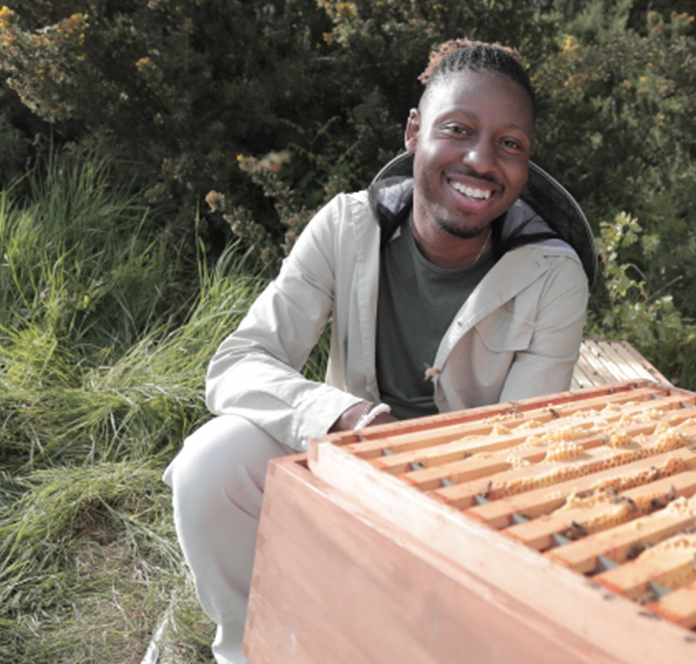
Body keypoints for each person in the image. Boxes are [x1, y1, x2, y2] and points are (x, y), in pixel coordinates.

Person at [162, 40, 597, 664]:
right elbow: (238, 364)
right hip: (345, 469)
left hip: (469, 510)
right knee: (213, 462)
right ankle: (251, 647)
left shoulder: (555, 276)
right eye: (458, 130)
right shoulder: (344, 226)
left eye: (511, 144)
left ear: (526, 164)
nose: (482, 160)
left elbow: (517, 453)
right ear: (414, 132)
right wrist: (336, 416)